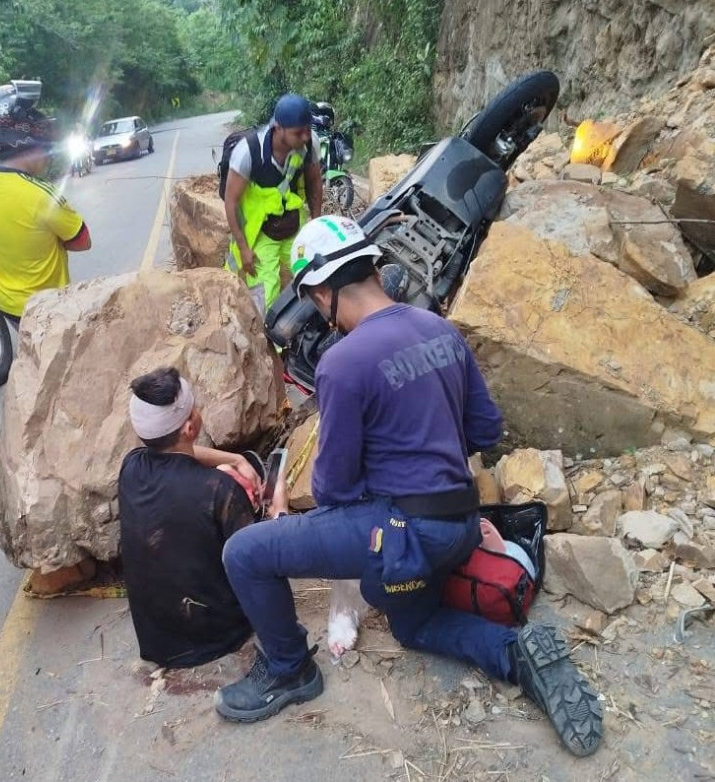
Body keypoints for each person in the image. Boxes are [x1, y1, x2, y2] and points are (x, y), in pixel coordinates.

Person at [215, 216, 603, 757]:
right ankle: (516, 654)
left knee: (246, 552)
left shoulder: (342, 362)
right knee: (412, 624)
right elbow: (487, 430)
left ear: (322, 293)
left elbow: (332, 488)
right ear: (374, 267)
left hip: (401, 535)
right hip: (458, 525)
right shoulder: (440, 330)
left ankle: (288, 669)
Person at [118, 366, 285, 669]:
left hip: (157, 641)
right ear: (189, 428)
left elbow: (184, 455)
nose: (198, 411)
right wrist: (279, 510)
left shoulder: (131, 468)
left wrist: (235, 459)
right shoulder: (220, 491)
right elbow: (267, 560)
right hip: (217, 636)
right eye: (194, 408)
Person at [0, 80, 92, 327]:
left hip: (7, 304)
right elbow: (82, 241)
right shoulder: (42, 194)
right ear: (25, 141)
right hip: (48, 306)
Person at [223, 93, 322, 315]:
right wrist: (243, 248)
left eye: (308, 129)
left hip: (293, 225)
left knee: (318, 274)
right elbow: (231, 202)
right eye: (299, 132)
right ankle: (271, 345)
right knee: (265, 296)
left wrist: (317, 223)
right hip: (261, 233)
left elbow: (314, 181)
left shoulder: (309, 143)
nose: (306, 136)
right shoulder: (248, 153)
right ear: (278, 128)